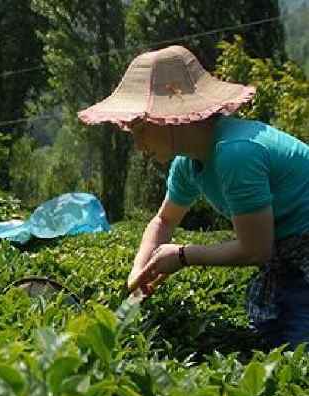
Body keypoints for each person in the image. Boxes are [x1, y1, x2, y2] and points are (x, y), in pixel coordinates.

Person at [79, 45, 309, 348]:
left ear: (170, 119)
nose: (138, 145)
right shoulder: (187, 164)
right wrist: (140, 268)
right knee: (271, 337)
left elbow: (256, 250)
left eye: (140, 130)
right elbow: (164, 220)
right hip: (286, 254)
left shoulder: (235, 153)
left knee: (295, 351)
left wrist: (183, 255)